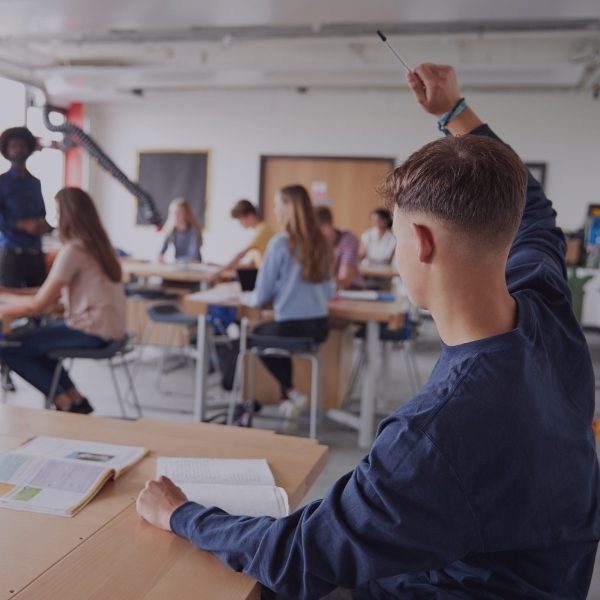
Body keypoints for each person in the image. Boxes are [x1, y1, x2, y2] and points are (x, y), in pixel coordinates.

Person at [136, 64, 600, 599]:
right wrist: (454, 114)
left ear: (420, 243)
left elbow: (298, 557)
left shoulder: (435, 435)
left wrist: (182, 514)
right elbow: (534, 207)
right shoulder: (548, 309)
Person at [0, 187, 126, 414]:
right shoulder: (98, 246)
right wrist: (7, 291)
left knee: (9, 347)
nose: (55, 220)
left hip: (91, 330)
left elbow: (40, 304)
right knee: (32, 342)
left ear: (69, 216)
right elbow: (47, 293)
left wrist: (4, 295)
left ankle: (65, 404)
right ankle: (75, 400)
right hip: (109, 327)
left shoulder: (74, 250)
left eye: (58, 214)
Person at [239, 185, 333, 429]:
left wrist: (245, 298)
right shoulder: (321, 242)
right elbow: (329, 291)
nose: (274, 210)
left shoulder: (280, 243)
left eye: (277, 204)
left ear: (288, 207)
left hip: (290, 327)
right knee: (275, 336)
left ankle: (291, 393)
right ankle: (288, 400)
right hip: (319, 327)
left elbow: (261, 295)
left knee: (257, 336)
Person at [0, 126, 51, 288]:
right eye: (14, 146)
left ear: (29, 148)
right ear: (7, 150)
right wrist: (23, 225)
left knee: (39, 302)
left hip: (36, 253)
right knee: (9, 304)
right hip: (12, 253)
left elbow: (42, 213)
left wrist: (45, 226)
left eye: (22, 145)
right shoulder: (2, 182)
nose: (19, 150)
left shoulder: (35, 183)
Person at [218, 199, 275, 273]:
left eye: (240, 219)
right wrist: (221, 266)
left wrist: (222, 270)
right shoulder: (258, 230)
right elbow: (251, 264)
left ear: (250, 215)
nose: (240, 223)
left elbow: (242, 253)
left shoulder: (262, 230)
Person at [315, 205, 363, 290]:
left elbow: (345, 279)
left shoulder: (348, 240)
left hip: (351, 290)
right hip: (324, 291)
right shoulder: (313, 243)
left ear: (327, 227)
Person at [158, 198, 202, 262]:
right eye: (173, 213)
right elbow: (162, 250)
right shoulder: (172, 230)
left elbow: (194, 255)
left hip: (194, 265)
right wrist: (160, 256)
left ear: (186, 214)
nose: (176, 216)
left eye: (179, 212)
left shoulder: (193, 231)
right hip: (179, 264)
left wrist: (176, 261)